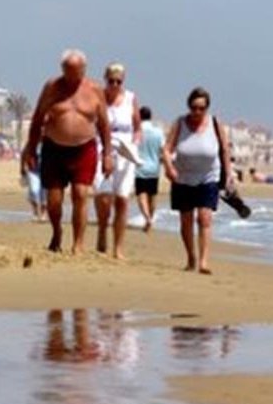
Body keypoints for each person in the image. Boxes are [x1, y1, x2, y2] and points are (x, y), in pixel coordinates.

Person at [21, 49, 113, 253]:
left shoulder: (94, 90)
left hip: (84, 148)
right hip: (54, 148)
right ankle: (57, 232)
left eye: (77, 71)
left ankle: (78, 243)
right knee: (54, 200)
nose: (73, 77)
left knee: (80, 194)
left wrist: (107, 154)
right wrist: (31, 150)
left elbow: (104, 125)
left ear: (84, 69)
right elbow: (37, 120)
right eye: (69, 71)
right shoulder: (52, 88)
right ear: (62, 69)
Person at [161, 86, 234, 275]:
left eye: (201, 108)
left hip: (208, 176)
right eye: (194, 107)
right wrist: (169, 167)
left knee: (204, 218)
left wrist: (229, 174)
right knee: (186, 221)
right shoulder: (180, 123)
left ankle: (204, 261)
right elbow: (167, 149)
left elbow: (225, 150)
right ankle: (191, 257)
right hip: (183, 178)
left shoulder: (215, 124)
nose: (197, 112)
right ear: (189, 106)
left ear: (207, 108)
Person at [93, 63, 141, 259]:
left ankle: (118, 248)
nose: (114, 85)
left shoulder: (130, 98)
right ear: (106, 79)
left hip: (125, 151)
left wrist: (135, 144)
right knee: (104, 197)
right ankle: (102, 229)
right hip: (102, 149)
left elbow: (137, 127)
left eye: (118, 82)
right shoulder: (98, 97)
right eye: (111, 81)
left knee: (122, 199)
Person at [135, 105, 164, 233]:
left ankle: (147, 218)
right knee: (152, 195)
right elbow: (163, 149)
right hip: (154, 168)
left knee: (142, 194)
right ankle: (150, 219)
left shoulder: (136, 132)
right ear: (150, 117)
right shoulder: (158, 132)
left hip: (139, 167)